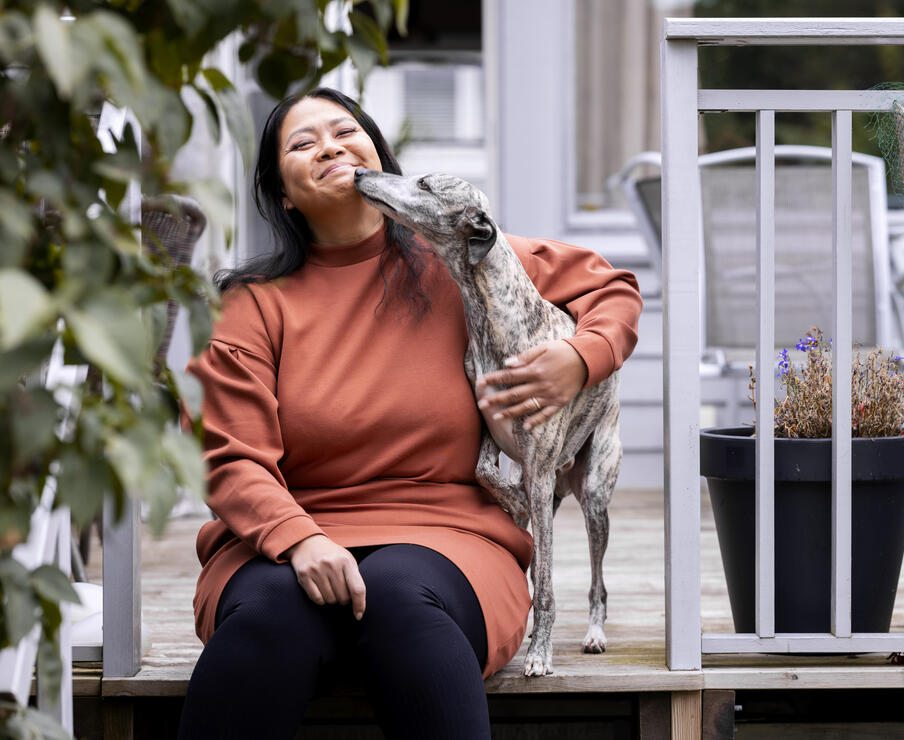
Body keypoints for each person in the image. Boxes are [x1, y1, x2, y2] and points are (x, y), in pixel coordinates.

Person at [176, 87, 642, 739]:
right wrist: (301, 539)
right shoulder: (251, 306)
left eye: (346, 131)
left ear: (380, 160)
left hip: (449, 534)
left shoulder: (460, 256)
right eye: (303, 143)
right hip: (280, 540)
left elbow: (608, 287)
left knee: (402, 595)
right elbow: (226, 453)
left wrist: (580, 360)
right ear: (281, 193)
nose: (330, 146)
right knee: (268, 619)